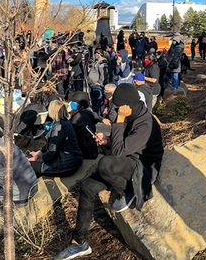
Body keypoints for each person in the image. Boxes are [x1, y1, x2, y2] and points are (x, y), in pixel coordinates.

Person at [56, 83, 165, 260]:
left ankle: (129, 191)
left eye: (118, 107)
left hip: (142, 168)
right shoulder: (131, 116)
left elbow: (118, 153)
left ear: (128, 106)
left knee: (105, 164)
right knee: (87, 186)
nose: (115, 109)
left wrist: (119, 122)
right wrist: (107, 140)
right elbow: (119, 148)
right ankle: (80, 242)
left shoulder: (146, 123)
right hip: (125, 163)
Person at [28, 101, 83, 177]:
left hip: (67, 165)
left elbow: (52, 152)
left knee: (28, 165)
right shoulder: (66, 122)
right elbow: (51, 144)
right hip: (75, 160)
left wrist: (39, 159)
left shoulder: (58, 127)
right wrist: (40, 152)